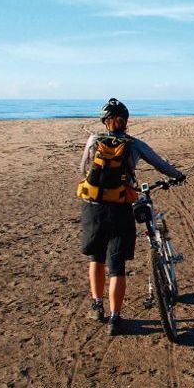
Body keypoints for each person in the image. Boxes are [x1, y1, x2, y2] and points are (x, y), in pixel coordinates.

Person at [77, 98, 185, 336]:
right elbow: (160, 164)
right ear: (126, 121)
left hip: (93, 206)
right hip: (119, 207)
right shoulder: (134, 144)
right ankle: (116, 318)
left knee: (96, 258)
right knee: (117, 264)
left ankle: (97, 306)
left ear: (105, 122)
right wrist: (178, 175)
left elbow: (83, 170)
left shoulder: (93, 140)